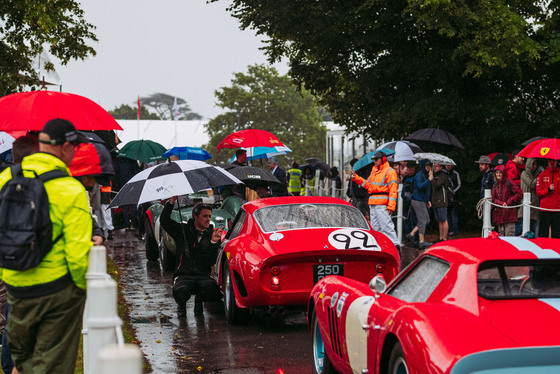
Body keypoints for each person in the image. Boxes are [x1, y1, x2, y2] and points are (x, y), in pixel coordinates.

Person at [0, 118, 92, 373]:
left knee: (24, 363)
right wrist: (80, 288)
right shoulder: (70, 189)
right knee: (51, 366)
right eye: (75, 146)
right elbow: (76, 254)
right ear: (64, 147)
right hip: (57, 291)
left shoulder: (6, 177)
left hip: (16, 287)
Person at [160, 198, 223, 317]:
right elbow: (164, 221)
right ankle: (181, 305)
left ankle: (199, 301)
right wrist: (172, 202)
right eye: (204, 216)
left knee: (212, 289)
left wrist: (213, 243)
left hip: (203, 276)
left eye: (209, 216)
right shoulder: (182, 231)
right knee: (181, 291)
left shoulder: (212, 235)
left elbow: (210, 261)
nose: (208, 219)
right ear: (195, 216)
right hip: (183, 275)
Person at [351, 151, 401, 248]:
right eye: (373, 159)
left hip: (382, 204)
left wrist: (391, 206)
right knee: (375, 227)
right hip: (373, 203)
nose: (374, 161)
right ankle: (379, 244)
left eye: (376, 159)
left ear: (383, 159)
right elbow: (368, 185)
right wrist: (356, 178)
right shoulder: (374, 171)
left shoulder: (390, 171)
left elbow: (393, 190)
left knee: (386, 226)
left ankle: (395, 245)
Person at [405, 159, 432, 249]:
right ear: (423, 166)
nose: (428, 167)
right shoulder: (419, 175)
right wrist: (429, 180)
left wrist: (428, 200)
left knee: (427, 220)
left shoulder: (426, 174)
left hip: (422, 200)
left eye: (429, 165)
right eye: (427, 165)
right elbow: (420, 187)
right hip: (417, 200)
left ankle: (411, 234)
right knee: (422, 221)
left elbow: (427, 190)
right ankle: (421, 241)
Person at [492, 164, 523, 236]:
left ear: (504, 173)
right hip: (499, 215)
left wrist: (508, 202)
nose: (498, 174)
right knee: (501, 238)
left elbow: (520, 194)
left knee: (510, 237)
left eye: (500, 172)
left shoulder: (509, 182)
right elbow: (493, 198)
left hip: (510, 215)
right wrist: (501, 203)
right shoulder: (495, 185)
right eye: (497, 172)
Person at [536, 159, 560, 238]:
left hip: (557, 209)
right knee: (543, 234)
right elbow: (538, 192)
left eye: (554, 161)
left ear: (557, 162)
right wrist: (548, 190)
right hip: (545, 209)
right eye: (550, 160)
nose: (551, 162)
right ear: (547, 161)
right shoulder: (542, 174)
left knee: (557, 235)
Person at [520, 158, 540, 236]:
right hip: (525, 206)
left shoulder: (534, 175)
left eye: (536, 164)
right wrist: (539, 177)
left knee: (532, 232)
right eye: (533, 164)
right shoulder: (524, 173)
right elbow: (531, 184)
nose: (535, 166)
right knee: (522, 231)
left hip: (534, 206)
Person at [431, 163, 450, 242]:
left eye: (436, 166)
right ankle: (441, 237)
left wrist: (432, 178)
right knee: (439, 220)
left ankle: (444, 238)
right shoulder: (436, 176)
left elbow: (437, 184)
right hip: (436, 200)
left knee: (443, 219)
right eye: (434, 166)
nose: (435, 168)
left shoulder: (443, 175)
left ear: (441, 167)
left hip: (442, 200)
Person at [401, 162, 417, 244]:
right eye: (408, 168)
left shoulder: (416, 177)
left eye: (411, 168)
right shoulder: (405, 178)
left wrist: (410, 198)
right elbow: (402, 189)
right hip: (405, 202)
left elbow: (416, 190)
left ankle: (413, 237)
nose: (410, 169)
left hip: (412, 202)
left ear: (414, 168)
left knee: (413, 220)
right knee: (405, 219)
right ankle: (407, 236)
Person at [445, 164, 461, 237]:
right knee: (447, 216)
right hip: (446, 198)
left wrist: (453, 192)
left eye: (449, 165)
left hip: (454, 198)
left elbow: (459, 185)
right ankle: (448, 230)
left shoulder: (455, 174)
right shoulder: (443, 173)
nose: (448, 166)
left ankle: (454, 231)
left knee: (454, 215)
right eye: (446, 165)